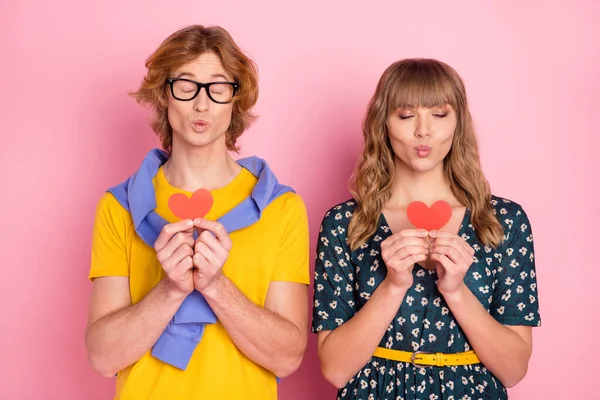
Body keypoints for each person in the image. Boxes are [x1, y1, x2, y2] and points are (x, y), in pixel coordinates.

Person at [85, 25, 310, 400]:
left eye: (218, 88)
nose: (201, 105)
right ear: (164, 95)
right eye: (186, 85)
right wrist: (171, 289)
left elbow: (287, 358)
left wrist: (216, 285)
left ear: (236, 99)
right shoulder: (119, 206)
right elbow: (103, 357)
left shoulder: (280, 208)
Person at [312, 58, 541, 399]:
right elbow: (335, 369)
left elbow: (513, 370)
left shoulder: (501, 221)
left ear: (457, 122)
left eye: (439, 114)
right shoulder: (346, 224)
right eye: (406, 115)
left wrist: (456, 291)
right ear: (383, 124)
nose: (423, 131)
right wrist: (393, 285)